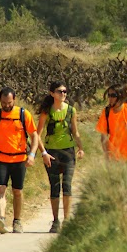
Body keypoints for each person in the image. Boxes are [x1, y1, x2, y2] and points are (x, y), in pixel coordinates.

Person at [0, 87, 38, 234]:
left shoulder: (24, 115)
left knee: (17, 191)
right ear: (0, 101)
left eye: (9, 103)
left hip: (19, 159)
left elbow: (35, 136)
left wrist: (32, 155)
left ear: (14, 100)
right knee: (0, 189)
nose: (6, 106)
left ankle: (17, 221)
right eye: (4, 103)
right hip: (0, 159)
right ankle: (1, 219)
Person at [37, 81, 84, 234]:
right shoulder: (46, 111)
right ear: (52, 93)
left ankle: (67, 220)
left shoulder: (71, 110)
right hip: (52, 153)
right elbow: (37, 135)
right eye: (59, 91)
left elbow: (75, 131)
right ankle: (56, 221)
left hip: (68, 152)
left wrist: (81, 147)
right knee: (55, 187)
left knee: (67, 186)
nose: (63, 94)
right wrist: (43, 153)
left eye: (65, 91)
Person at [96, 84, 127, 160]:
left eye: (113, 95)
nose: (110, 98)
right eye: (109, 95)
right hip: (114, 158)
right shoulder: (106, 112)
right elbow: (103, 138)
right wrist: (107, 154)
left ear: (121, 97)